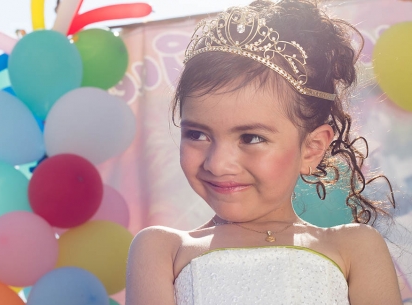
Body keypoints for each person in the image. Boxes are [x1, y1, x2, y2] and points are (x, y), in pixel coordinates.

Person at [126, 0, 402, 304]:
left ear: (311, 149)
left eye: (251, 138)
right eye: (198, 134)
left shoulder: (355, 247)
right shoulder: (162, 250)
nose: (218, 164)